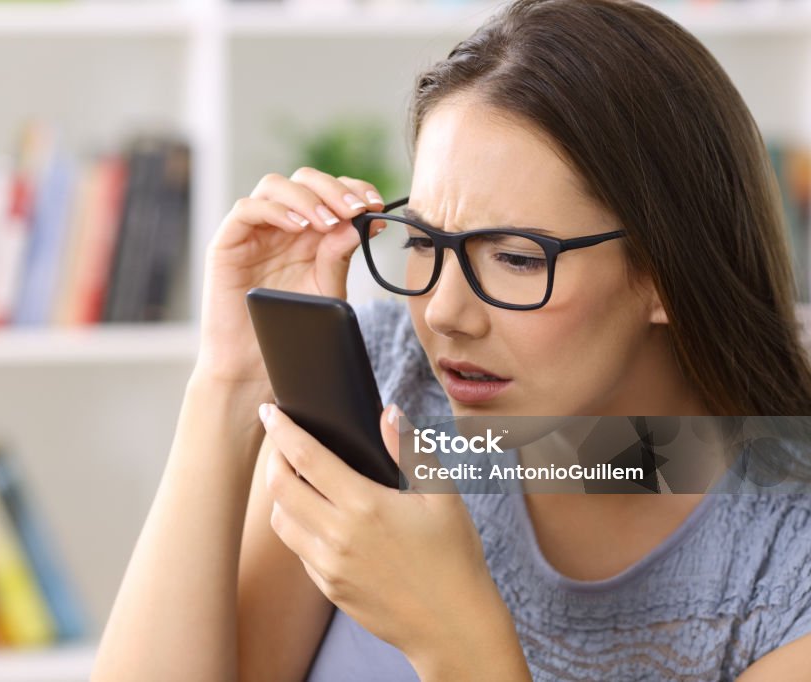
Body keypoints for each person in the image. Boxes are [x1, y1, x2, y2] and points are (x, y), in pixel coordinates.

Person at [91, 0, 811, 679]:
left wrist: (455, 634)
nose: (443, 313)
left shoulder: (785, 556)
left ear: (665, 273)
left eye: (517, 257)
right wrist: (227, 383)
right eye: (426, 242)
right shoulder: (381, 383)